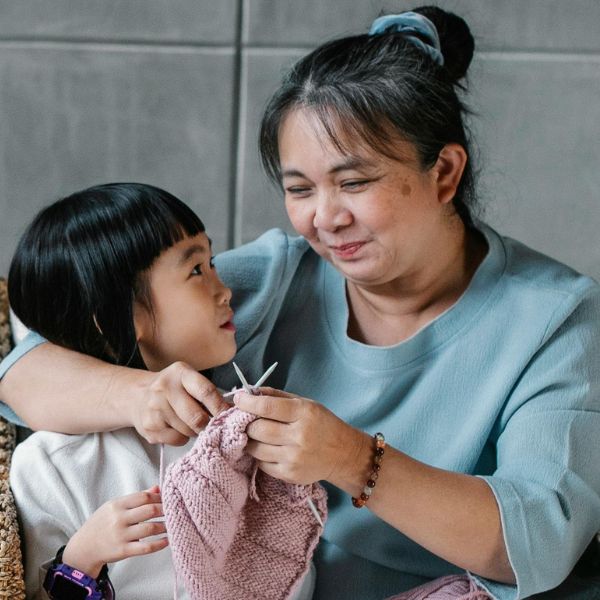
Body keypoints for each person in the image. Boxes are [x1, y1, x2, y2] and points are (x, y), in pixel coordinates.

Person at [2, 6, 600, 600]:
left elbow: (541, 541)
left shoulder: (555, 319)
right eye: (299, 189)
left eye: (355, 182)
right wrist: (140, 394)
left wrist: (353, 459)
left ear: (443, 173)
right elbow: (26, 367)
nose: (326, 218)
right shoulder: (276, 276)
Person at [6, 183, 316, 599]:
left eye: (212, 263)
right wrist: (83, 558)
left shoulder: (245, 431)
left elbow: (291, 571)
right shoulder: (51, 466)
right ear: (117, 316)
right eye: (196, 271)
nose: (225, 291)